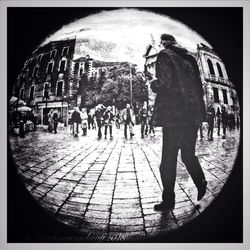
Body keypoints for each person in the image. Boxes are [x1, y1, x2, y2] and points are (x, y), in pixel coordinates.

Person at [150, 33, 207, 211]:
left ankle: (168, 201)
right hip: (192, 115)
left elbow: (164, 83)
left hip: (174, 117)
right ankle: (200, 181)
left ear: (164, 43)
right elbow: (199, 88)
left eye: (161, 43)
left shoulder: (165, 55)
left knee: (168, 160)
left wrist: (153, 83)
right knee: (188, 154)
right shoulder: (189, 59)